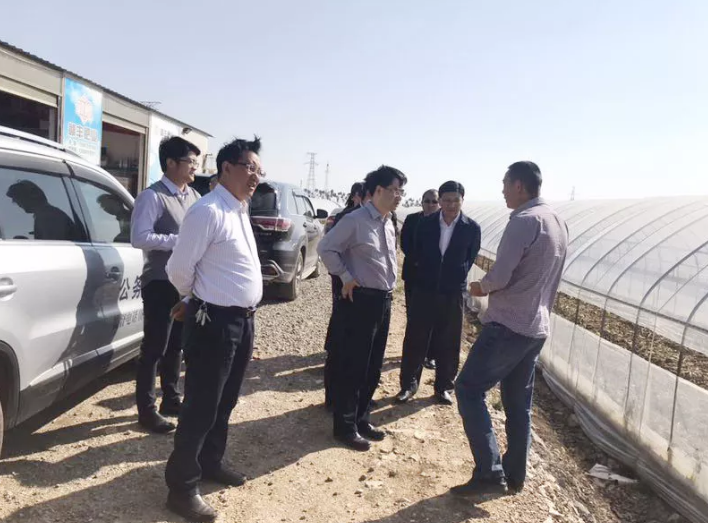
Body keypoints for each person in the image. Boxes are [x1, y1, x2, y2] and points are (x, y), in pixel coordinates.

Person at [452, 161, 568, 498]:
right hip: (535, 327)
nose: (502, 190)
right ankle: (515, 474)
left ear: (519, 185)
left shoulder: (524, 221)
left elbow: (500, 276)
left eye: (505, 183)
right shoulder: (557, 221)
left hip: (508, 325)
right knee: (518, 404)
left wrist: (480, 286)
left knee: (469, 389)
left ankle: (489, 474)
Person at [163, 136, 264, 522]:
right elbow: (178, 268)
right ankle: (181, 488)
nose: (255, 176)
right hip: (214, 322)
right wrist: (195, 298)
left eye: (259, 170)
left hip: (242, 321)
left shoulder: (239, 209)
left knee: (225, 401)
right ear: (226, 168)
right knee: (201, 406)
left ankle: (210, 462)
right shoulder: (208, 211)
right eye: (249, 167)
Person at [318, 165, 407, 451]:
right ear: (378, 190)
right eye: (395, 190)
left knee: (373, 365)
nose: (399, 196)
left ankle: (361, 418)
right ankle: (344, 427)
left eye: (401, 191)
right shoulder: (355, 220)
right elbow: (325, 248)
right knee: (353, 365)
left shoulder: (388, 222)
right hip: (360, 301)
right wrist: (345, 276)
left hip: (383, 300)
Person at [130, 136, 201, 434]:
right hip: (159, 281)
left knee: (177, 345)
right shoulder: (152, 196)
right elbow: (139, 237)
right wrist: (178, 241)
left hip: (184, 283)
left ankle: (171, 398)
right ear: (171, 163)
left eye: (196, 162)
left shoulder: (194, 196)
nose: (195, 167)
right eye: (190, 162)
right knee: (155, 346)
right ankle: (146, 411)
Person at [396, 181, 480, 406]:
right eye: (447, 200)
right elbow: (414, 250)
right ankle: (408, 384)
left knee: (449, 340)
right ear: (440, 201)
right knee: (416, 337)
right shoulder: (426, 224)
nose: (451, 205)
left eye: (456, 200)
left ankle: (443, 386)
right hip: (424, 288)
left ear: (462, 201)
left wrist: (455, 274)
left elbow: (470, 257)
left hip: (452, 292)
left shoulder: (471, 228)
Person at [323, 181, 366, 410]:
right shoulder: (347, 218)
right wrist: (344, 276)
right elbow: (329, 250)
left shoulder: (383, 220)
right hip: (347, 285)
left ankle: (353, 397)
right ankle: (334, 398)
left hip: (366, 290)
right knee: (342, 337)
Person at [400, 189, 440, 369]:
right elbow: (405, 243)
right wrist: (418, 261)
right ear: (422, 202)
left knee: (433, 317)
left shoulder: (443, 222)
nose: (430, 205)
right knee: (413, 315)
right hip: (414, 275)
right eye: (427, 201)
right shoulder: (412, 219)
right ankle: (412, 352)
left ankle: (430, 354)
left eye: (434, 201)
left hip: (434, 277)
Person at [6, 180, 80, 241]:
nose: (18, 204)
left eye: (18, 198)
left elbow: (52, 249)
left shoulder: (49, 217)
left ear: (32, 195)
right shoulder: (47, 214)